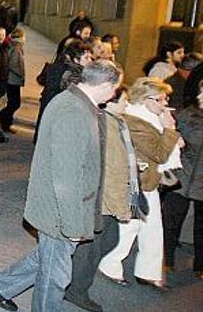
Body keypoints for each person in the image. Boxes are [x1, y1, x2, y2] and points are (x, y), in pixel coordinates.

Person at [0, 61, 123, 312]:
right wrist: (72, 224)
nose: (115, 94)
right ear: (103, 85)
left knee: (47, 257)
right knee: (56, 276)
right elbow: (66, 177)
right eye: (115, 88)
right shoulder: (73, 111)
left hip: (64, 207)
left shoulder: (78, 104)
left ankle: (1, 283)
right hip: (61, 210)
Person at [98, 77, 183, 291]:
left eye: (166, 98)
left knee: (152, 228)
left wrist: (168, 131)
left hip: (147, 182)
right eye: (160, 99)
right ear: (146, 100)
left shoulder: (150, 119)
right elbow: (159, 154)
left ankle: (148, 272)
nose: (165, 104)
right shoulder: (136, 122)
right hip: (136, 182)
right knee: (130, 227)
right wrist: (170, 130)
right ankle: (110, 264)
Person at [64, 87, 143, 312]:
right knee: (91, 247)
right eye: (124, 101)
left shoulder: (119, 123)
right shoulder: (106, 125)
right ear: (111, 101)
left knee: (106, 241)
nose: (127, 105)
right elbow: (111, 169)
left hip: (108, 196)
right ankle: (76, 289)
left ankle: (70, 280)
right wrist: (120, 207)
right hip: (104, 198)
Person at [165, 80, 203, 280]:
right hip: (182, 175)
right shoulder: (187, 115)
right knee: (171, 220)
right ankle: (166, 260)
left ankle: (200, 265)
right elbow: (170, 134)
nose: (200, 96)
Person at [0, 28, 26, 134]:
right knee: (15, 103)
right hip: (13, 80)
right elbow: (13, 64)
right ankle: (0, 118)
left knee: (12, 102)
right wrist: (20, 74)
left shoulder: (13, 46)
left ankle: (6, 122)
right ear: (20, 38)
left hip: (11, 79)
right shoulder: (17, 48)